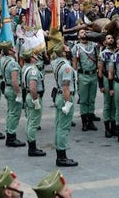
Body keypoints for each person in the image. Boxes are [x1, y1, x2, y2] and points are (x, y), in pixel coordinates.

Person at [48, 36, 78, 167]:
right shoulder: (66, 67)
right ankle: (62, 156)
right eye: (66, 48)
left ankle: (60, 154)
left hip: (59, 95)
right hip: (65, 96)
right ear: (64, 53)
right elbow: (66, 86)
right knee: (63, 127)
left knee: (59, 125)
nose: (69, 49)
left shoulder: (56, 63)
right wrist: (68, 103)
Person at [21, 47, 45, 157]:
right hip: (33, 96)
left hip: (28, 96)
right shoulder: (33, 71)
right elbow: (33, 88)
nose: (36, 57)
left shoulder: (25, 68)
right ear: (31, 58)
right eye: (34, 56)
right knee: (33, 122)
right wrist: (36, 101)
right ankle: (32, 147)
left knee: (30, 121)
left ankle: (32, 146)